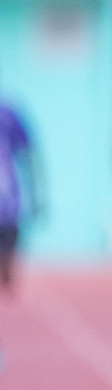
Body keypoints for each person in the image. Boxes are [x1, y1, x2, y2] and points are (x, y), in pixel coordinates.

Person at [0, 94, 40, 365]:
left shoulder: (10, 113)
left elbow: (30, 155)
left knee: (7, 276)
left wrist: (37, 195)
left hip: (7, 208)